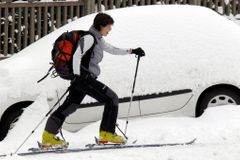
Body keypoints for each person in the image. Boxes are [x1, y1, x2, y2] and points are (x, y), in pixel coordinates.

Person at [41, 12, 145, 147]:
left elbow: (112, 49)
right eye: (108, 27)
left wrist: (132, 51)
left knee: (70, 106)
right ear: (101, 26)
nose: (110, 30)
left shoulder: (98, 39)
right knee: (111, 99)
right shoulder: (89, 38)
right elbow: (77, 55)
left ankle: (48, 136)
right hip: (84, 78)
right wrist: (79, 76)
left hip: (82, 79)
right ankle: (107, 134)